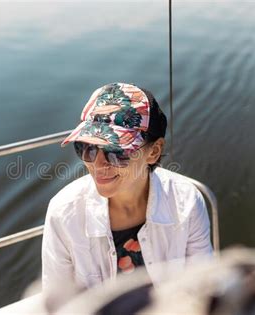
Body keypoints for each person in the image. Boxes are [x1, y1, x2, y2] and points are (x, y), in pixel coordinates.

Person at [41, 82, 213, 307]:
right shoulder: (63, 213)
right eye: (88, 147)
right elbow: (58, 305)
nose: (98, 164)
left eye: (116, 152)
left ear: (154, 151)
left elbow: (204, 291)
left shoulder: (188, 202)